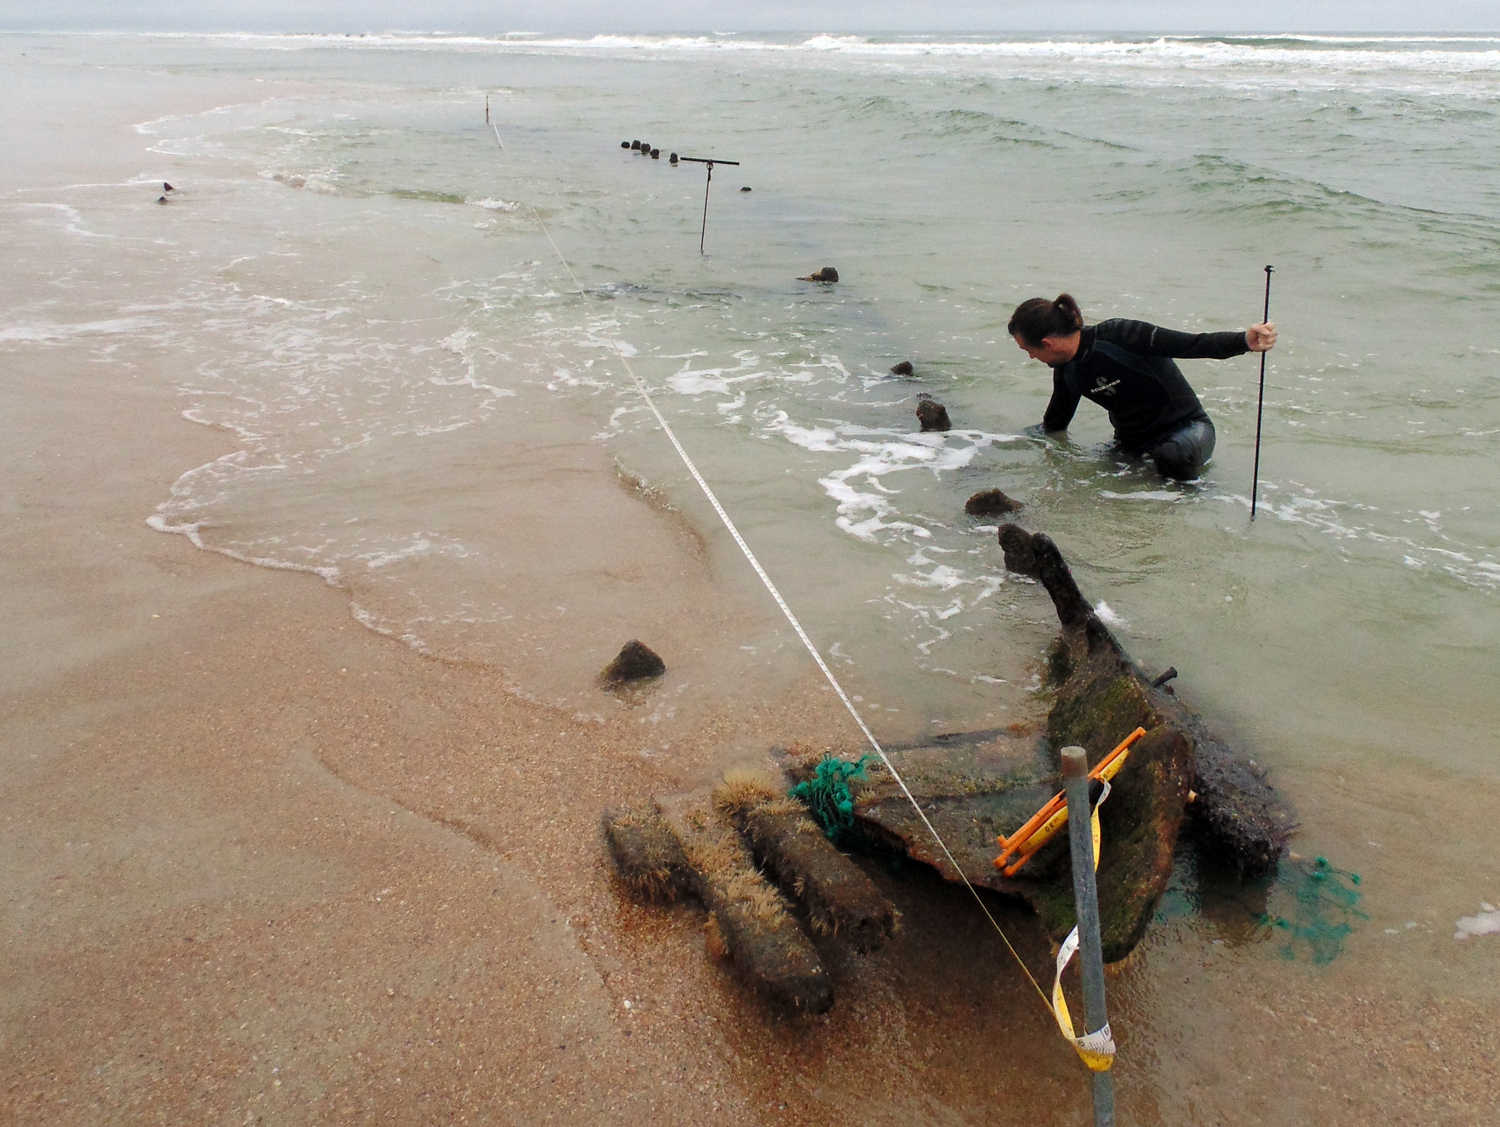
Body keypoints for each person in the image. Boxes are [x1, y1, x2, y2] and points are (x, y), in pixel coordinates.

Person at [1008, 293, 1277, 481]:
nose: (1031, 357)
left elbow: (1190, 344)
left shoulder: (1120, 335)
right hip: (1131, 446)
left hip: (1188, 431)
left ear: (1047, 343)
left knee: (1172, 457)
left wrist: (1244, 341)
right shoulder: (1067, 370)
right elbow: (1054, 425)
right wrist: (1007, 448)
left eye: (1027, 350)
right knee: (1095, 478)